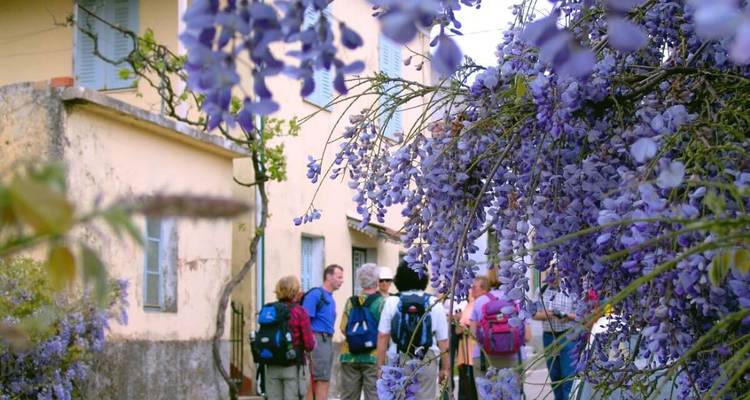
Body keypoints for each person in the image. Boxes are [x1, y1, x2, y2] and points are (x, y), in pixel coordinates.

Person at [376, 260, 450, 400]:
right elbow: (443, 340)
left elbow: (382, 335)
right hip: (427, 357)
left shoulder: (392, 301)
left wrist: (380, 366)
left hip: (397, 357)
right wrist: (445, 368)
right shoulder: (434, 303)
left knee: (396, 396)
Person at [469, 271, 531, 379]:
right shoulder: (518, 301)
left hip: (485, 359)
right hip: (515, 358)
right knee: (512, 394)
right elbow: (527, 336)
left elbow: (473, 334)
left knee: (487, 395)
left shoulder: (479, 301)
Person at [339, 263, 385, 400]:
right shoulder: (382, 303)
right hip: (373, 356)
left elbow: (343, 328)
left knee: (348, 396)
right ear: (377, 281)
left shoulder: (351, 301)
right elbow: (385, 332)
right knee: (374, 395)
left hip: (349, 355)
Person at [264, 276, 315, 400]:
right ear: (295, 291)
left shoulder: (268, 309)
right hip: (293, 365)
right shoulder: (300, 312)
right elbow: (309, 344)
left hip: (271, 364)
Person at [532, 275, 578, 400]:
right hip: (549, 336)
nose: (552, 278)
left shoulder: (571, 290)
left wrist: (568, 316)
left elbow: (581, 314)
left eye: (555, 275)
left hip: (567, 335)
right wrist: (550, 314)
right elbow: (533, 313)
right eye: (549, 275)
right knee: (554, 375)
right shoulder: (541, 290)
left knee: (568, 375)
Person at [302, 264, 343, 400]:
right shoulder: (316, 294)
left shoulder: (329, 297)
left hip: (326, 340)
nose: (341, 280)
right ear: (328, 276)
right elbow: (305, 320)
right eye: (339, 277)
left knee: (319, 379)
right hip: (318, 340)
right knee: (320, 380)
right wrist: (308, 344)